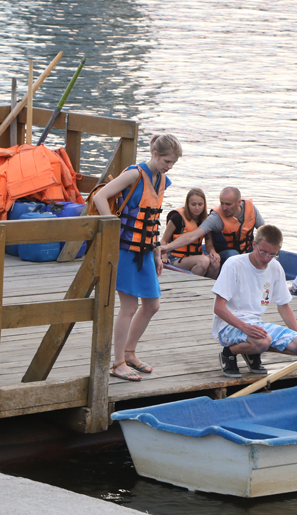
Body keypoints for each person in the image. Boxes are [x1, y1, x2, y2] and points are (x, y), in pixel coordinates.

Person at [92, 134, 183, 381]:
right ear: (154, 154)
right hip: (124, 250)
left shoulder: (162, 179)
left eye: (173, 162)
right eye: (167, 160)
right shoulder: (135, 174)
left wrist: (157, 253)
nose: (169, 166)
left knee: (152, 305)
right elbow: (99, 196)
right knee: (129, 306)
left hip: (145, 250)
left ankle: (130, 353)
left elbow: (152, 220)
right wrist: (110, 227)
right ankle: (118, 362)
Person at [212, 224, 297, 378]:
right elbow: (219, 308)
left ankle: (252, 351)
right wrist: (245, 328)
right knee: (263, 341)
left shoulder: (275, 267)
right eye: (263, 252)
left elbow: (283, 306)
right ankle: (229, 353)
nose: (266, 259)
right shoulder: (234, 264)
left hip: (256, 325)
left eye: (273, 254)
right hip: (229, 325)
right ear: (254, 244)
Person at [160, 186, 264, 268]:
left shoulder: (250, 208)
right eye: (221, 203)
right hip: (227, 253)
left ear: (238, 202)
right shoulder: (215, 218)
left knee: (274, 255)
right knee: (233, 255)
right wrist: (166, 249)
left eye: (228, 204)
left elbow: (264, 231)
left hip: (246, 250)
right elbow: (192, 235)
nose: (224, 208)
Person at [159, 188, 220, 279]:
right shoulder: (177, 218)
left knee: (215, 262)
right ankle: (192, 284)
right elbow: (164, 240)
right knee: (203, 261)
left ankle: (208, 287)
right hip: (176, 258)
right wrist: (164, 255)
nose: (197, 208)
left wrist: (212, 252)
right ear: (187, 204)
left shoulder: (206, 220)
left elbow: (209, 244)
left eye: (200, 204)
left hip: (196, 255)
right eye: (193, 204)